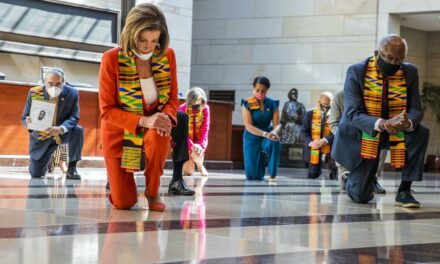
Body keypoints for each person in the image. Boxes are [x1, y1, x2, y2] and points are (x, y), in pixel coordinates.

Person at [99, 3, 188, 211]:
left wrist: (164, 117)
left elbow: (173, 100)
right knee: (123, 203)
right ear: (131, 33)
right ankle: (120, 183)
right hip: (120, 133)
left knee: (160, 132)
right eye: (142, 39)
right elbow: (107, 109)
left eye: (154, 41)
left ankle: (152, 190)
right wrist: (144, 120)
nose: (148, 47)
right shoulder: (111, 59)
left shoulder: (168, 56)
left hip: (153, 128)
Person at [332, 34, 429, 208]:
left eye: (398, 60)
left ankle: (404, 191)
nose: (393, 64)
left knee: (420, 132)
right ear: (377, 53)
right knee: (361, 196)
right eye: (389, 58)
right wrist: (384, 123)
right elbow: (353, 113)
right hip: (364, 133)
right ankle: (348, 177)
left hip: (395, 131)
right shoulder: (356, 71)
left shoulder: (410, 72)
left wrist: (407, 123)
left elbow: (416, 109)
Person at [20, 67, 84, 180]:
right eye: (50, 83)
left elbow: (75, 116)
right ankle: (45, 162)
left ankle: (72, 169)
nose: (54, 87)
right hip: (43, 135)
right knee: (36, 174)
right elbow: (24, 117)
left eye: (58, 84)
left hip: (62, 133)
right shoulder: (35, 92)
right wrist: (28, 122)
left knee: (78, 130)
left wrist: (61, 128)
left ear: (63, 83)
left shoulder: (72, 93)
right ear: (45, 82)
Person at [329, 90, 386, 194]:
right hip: (347, 138)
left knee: (381, 141)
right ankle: (346, 176)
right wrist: (345, 138)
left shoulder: (375, 93)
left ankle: (373, 178)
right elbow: (333, 123)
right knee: (346, 187)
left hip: (369, 136)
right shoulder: (340, 96)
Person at [241, 76, 281, 181]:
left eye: (263, 91)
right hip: (252, 136)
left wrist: (274, 133)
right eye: (257, 90)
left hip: (267, 134)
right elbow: (248, 126)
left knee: (275, 141)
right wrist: (265, 134)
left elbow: (277, 125)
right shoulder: (247, 103)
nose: (260, 93)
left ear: (267, 90)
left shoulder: (273, 104)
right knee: (253, 176)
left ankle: (273, 174)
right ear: (253, 89)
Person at [302, 91, 337, 179]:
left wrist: (324, 140)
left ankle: (333, 172)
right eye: (324, 103)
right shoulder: (310, 113)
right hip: (314, 145)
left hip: (330, 145)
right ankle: (317, 170)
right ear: (319, 102)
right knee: (313, 173)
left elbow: (337, 132)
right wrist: (311, 143)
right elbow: (303, 131)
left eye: (328, 104)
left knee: (334, 169)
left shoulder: (335, 115)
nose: (325, 106)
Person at [179, 87, 210, 176]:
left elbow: (205, 129)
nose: (196, 108)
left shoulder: (206, 108)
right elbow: (182, 132)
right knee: (188, 172)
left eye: (198, 105)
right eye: (193, 105)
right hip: (186, 142)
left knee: (197, 153)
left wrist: (200, 146)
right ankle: (191, 160)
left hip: (199, 142)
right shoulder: (181, 109)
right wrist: (191, 146)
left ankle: (200, 165)